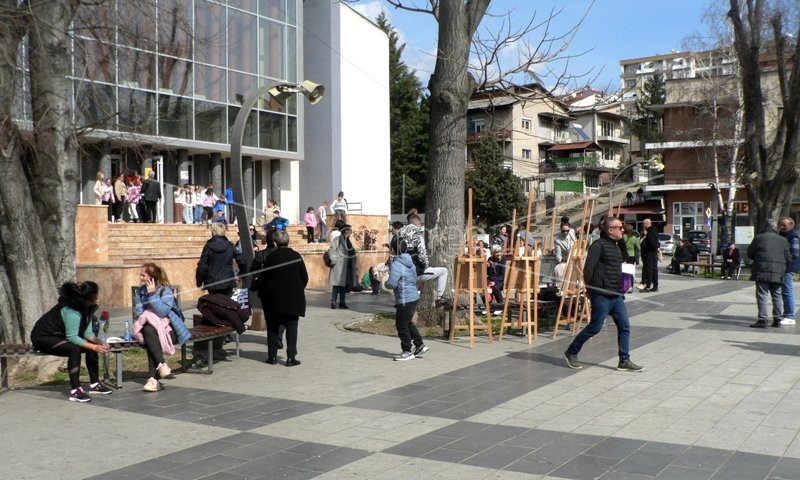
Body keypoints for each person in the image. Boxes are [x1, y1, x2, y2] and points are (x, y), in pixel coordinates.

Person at [563, 216, 643, 372]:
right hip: (601, 294)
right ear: (610, 230)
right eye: (620, 228)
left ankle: (624, 360)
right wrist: (591, 291)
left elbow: (626, 258)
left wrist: (622, 242)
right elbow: (588, 270)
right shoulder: (598, 246)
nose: (623, 230)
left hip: (616, 294)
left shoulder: (617, 246)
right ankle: (571, 351)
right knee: (595, 327)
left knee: (624, 326)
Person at [30, 281, 113, 402]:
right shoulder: (72, 311)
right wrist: (95, 348)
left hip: (58, 336)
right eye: (96, 295)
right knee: (74, 350)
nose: (98, 297)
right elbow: (72, 337)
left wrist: (100, 343)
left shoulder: (87, 308)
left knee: (92, 345)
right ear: (89, 297)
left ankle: (95, 384)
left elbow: (87, 333)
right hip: (43, 337)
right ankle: (75, 390)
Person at [133, 263, 192, 392]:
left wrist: (152, 295)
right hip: (151, 329)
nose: (140, 278)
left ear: (152, 277)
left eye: (143, 275)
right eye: (140, 275)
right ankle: (161, 365)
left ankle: (153, 378)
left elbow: (162, 312)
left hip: (171, 329)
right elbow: (140, 313)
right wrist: (149, 317)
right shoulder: (140, 291)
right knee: (149, 332)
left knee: (151, 339)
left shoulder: (165, 290)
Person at [253, 229, 308, 366]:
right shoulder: (296, 256)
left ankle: (272, 357)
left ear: (275, 242)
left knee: (272, 327)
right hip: (293, 299)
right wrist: (297, 289)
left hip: (273, 299)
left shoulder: (271, 257)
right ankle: (291, 357)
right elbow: (304, 277)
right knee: (291, 326)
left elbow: (264, 278)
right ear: (288, 241)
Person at [386, 239, 428, 361]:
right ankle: (420, 345)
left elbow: (392, 283)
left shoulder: (397, 264)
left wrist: (384, 282)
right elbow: (414, 279)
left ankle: (407, 351)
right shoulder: (410, 262)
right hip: (413, 296)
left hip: (404, 299)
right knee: (408, 323)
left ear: (394, 250)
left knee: (401, 325)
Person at [398, 213, 449, 304]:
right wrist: (425, 265)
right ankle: (439, 298)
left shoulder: (399, 235)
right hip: (415, 272)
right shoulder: (418, 235)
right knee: (443, 271)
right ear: (418, 224)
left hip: (401, 272)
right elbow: (422, 254)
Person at [749, 219, 790, 329]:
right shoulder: (783, 240)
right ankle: (777, 319)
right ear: (775, 227)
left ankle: (763, 319)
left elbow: (750, 253)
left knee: (762, 295)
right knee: (776, 295)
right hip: (778, 271)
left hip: (761, 270)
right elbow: (788, 257)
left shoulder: (759, 238)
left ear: (765, 226)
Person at [196, 222, 246, 297]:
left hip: (212, 282)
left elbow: (202, 266)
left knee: (215, 302)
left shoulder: (208, 247)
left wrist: (199, 282)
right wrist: (242, 273)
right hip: (227, 281)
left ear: (213, 232)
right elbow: (241, 259)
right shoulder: (230, 245)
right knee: (226, 302)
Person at [328, 224, 358, 309]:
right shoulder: (338, 239)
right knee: (337, 285)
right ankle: (333, 302)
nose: (351, 231)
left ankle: (342, 302)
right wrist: (333, 261)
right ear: (345, 230)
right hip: (339, 265)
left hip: (347, 266)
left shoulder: (348, 240)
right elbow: (332, 250)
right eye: (349, 230)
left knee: (343, 285)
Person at [779, 217, 800, 325]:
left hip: (789, 267)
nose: (782, 227)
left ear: (791, 225)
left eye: (784, 225)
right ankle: (787, 314)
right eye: (781, 224)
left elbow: (795, 253)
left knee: (787, 291)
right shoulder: (784, 235)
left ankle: (790, 316)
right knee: (785, 291)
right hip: (786, 266)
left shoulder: (793, 236)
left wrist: (783, 260)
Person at [639, 218, 660, 292]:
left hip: (649, 253)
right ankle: (655, 285)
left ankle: (648, 285)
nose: (643, 226)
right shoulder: (655, 230)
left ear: (647, 224)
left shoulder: (649, 231)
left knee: (649, 269)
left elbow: (651, 242)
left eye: (643, 224)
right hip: (653, 253)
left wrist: (645, 236)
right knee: (654, 269)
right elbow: (657, 241)